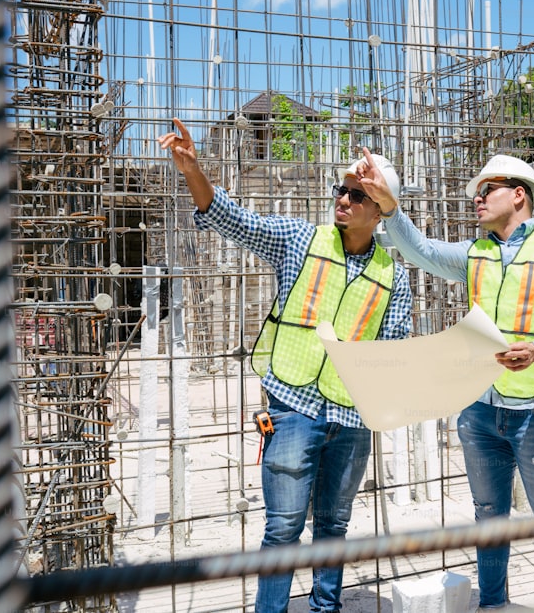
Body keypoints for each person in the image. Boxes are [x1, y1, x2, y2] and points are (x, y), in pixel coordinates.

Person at [158, 120, 413, 613]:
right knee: (283, 528)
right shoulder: (299, 240)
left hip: (352, 417)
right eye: (341, 189)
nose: (342, 199)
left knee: (334, 529)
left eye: (357, 195)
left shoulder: (392, 277)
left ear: (380, 211)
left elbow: (394, 349)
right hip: (294, 405)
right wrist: (194, 171)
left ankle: (325, 608)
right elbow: (231, 218)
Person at [355, 150, 534, 611]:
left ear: (519, 194)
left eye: (486, 190)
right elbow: (421, 251)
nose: (477, 199)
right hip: (482, 411)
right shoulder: (475, 254)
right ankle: (492, 605)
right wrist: (389, 206)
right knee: (489, 520)